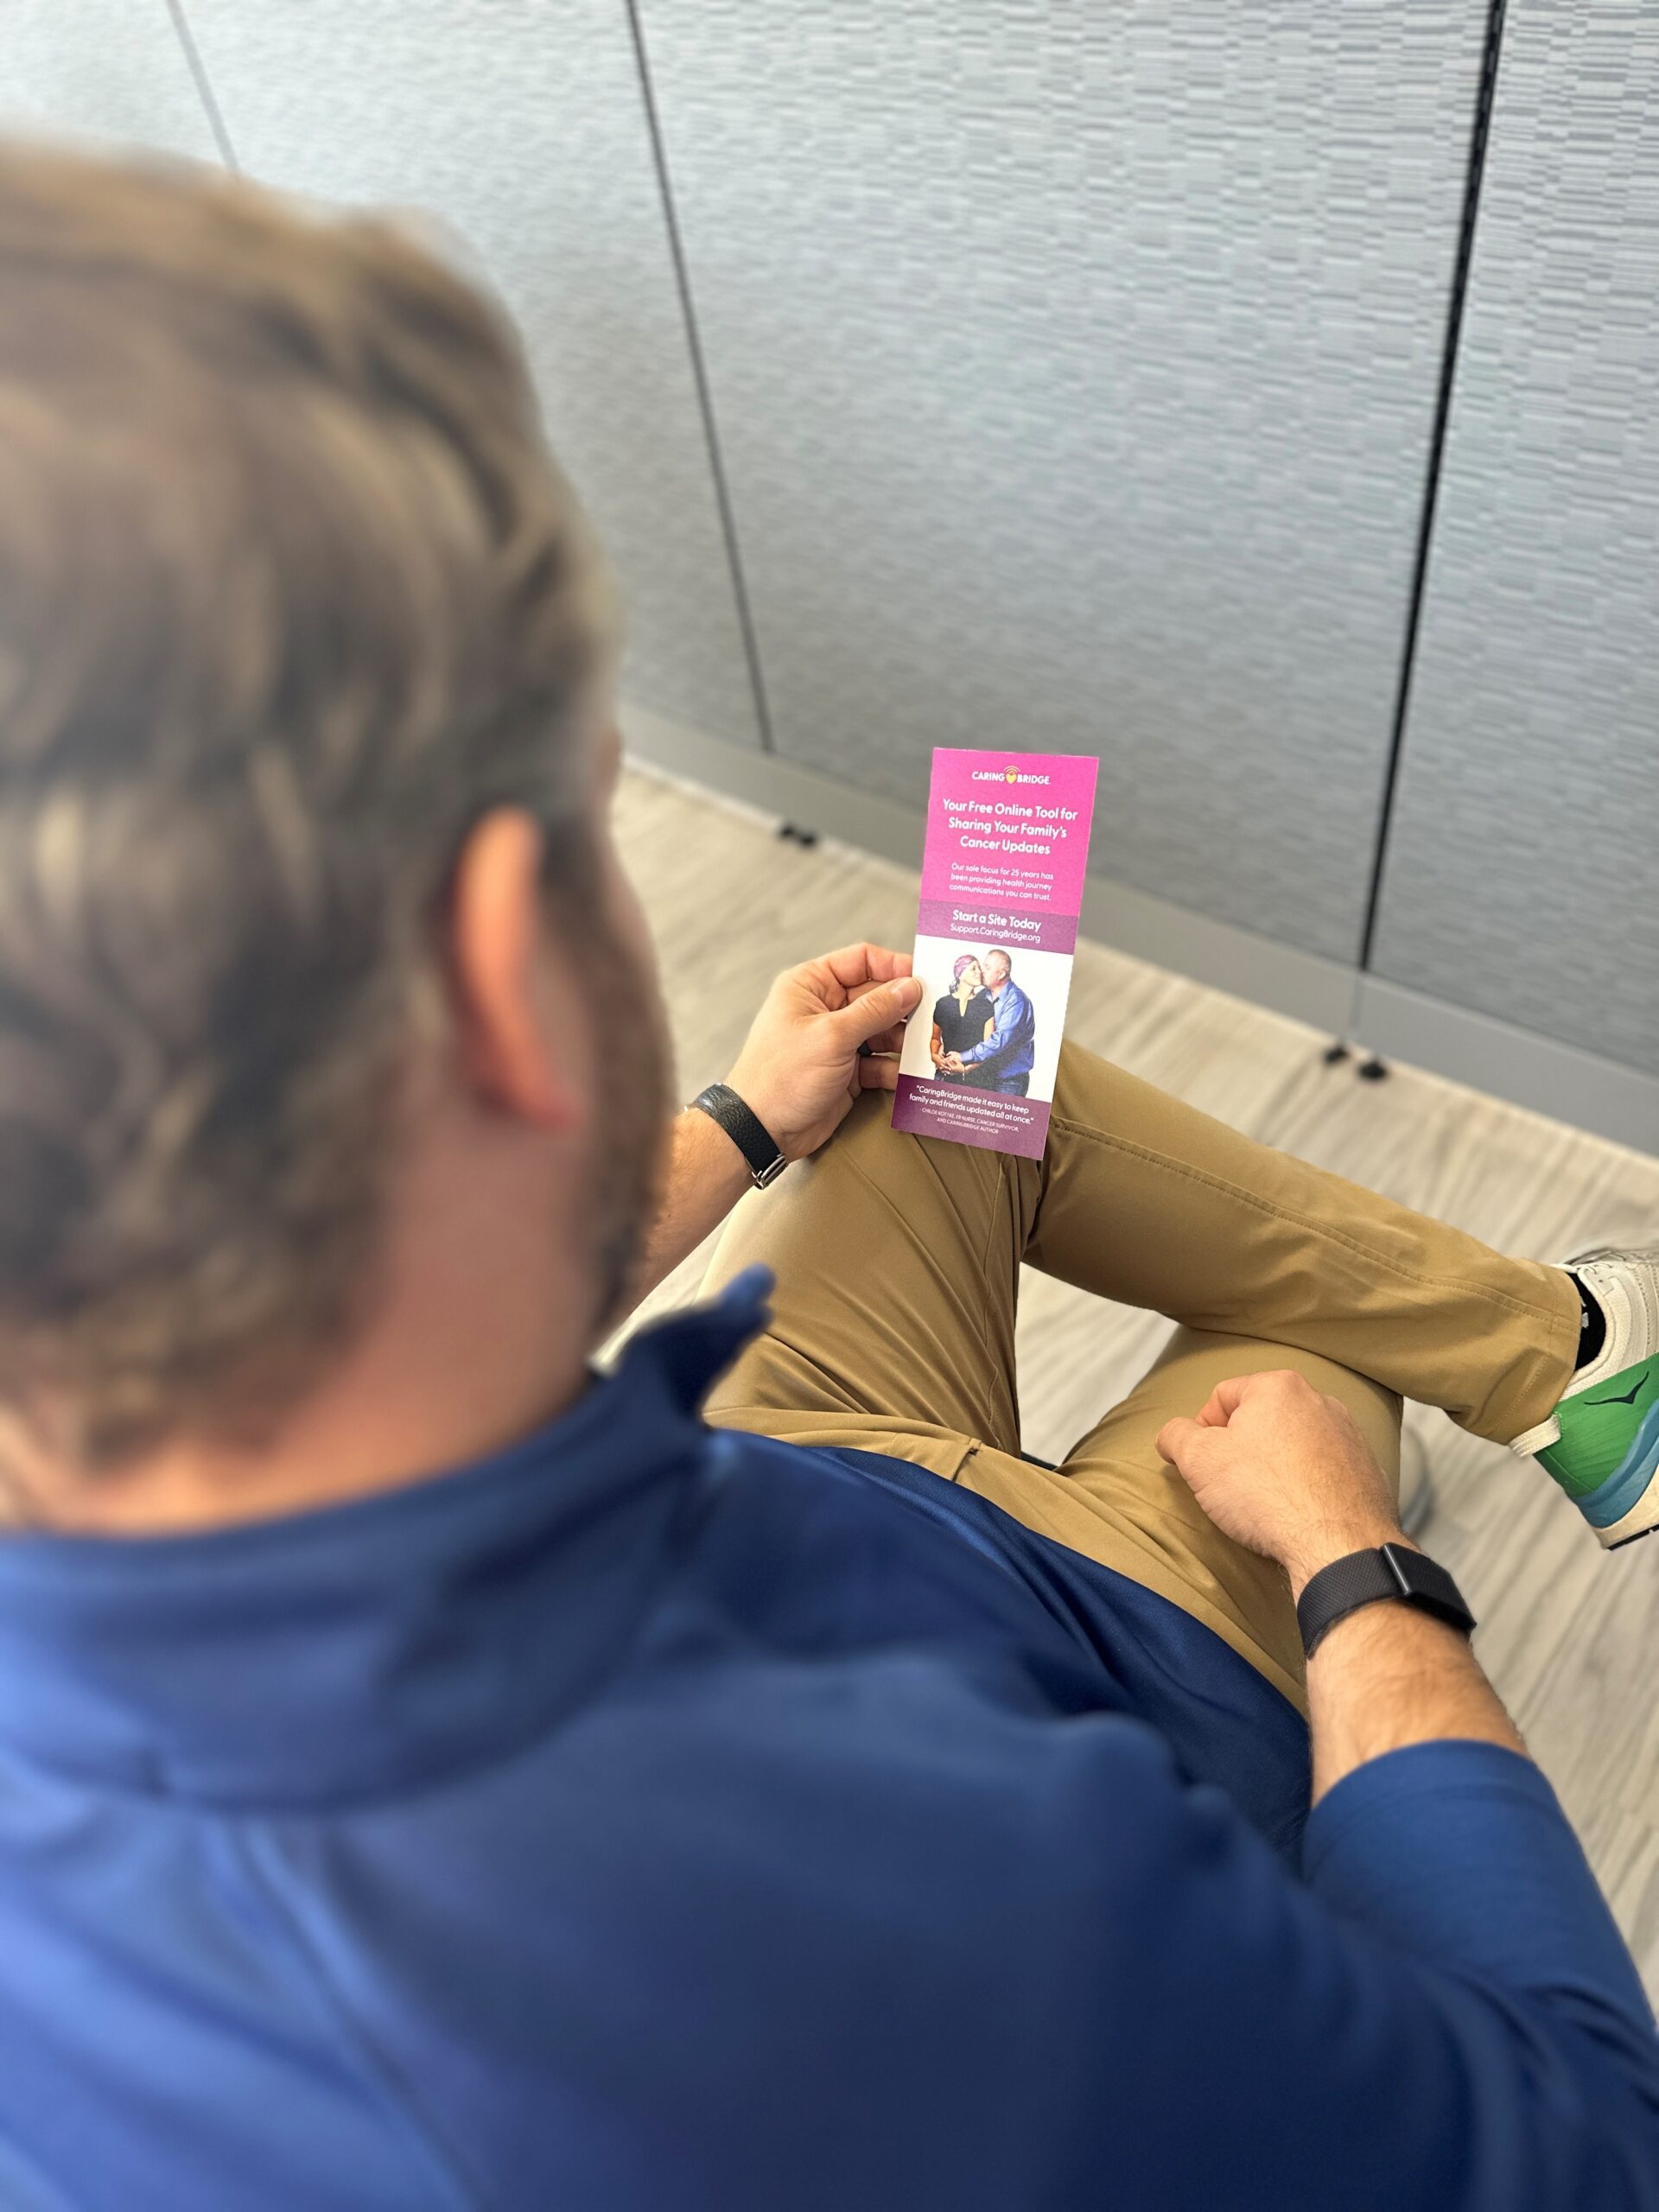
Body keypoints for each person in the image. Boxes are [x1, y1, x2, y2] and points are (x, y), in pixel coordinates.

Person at [0, 144, 1656, 2212]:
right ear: (511, 966)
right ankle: (1526, 1380)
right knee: (1312, 1371)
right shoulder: (896, 1895)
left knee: (944, 1053)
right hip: (1096, 1666)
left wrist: (745, 1117)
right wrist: (1359, 1578)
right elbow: (1582, 2139)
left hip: (790, 1460)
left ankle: (1573, 1367)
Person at [940, 944, 1036, 1092]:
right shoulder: (982, 995)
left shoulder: (1017, 1001)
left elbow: (999, 1041)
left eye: (987, 967)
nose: (981, 971)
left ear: (1001, 974)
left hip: (1009, 1082)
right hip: (984, 1075)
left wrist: (963, 1057)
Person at [929, 951, 995, 1082]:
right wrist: (934, 1055)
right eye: (973, 968)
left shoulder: (986, 1006)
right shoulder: (943, 1004)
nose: (979, 972)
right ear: (960, 973)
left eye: (979, 969)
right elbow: (935, 1038)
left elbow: (988, 1049)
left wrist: (965, 1070)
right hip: (944, 1075)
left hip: (976, 1079)